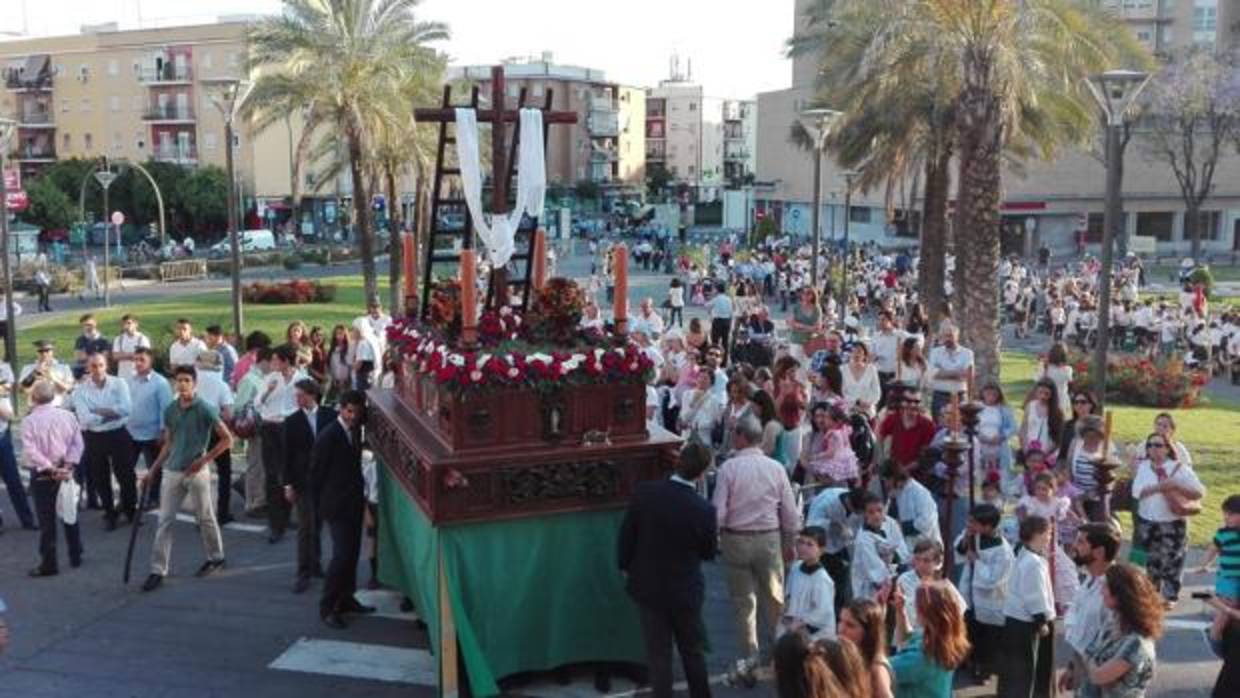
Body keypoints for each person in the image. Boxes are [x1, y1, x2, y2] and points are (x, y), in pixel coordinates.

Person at [617, 442, 717, 698]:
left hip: (648, 587)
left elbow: (627, 535)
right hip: (685, 590)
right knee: (692, 651)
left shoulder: (645, 493)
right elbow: (708, 552)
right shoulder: (704, 510)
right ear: (701, 473)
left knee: (658, 654)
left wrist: (625, 567)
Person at [713, 414, 801, 686]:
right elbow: (790, 514)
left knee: (744, 605)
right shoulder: (775, 468)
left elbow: (719, 514)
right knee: (774, 601)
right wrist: (789, 545)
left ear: (740, 436)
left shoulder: (729, 468)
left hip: (736, 540)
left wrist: (717, 538)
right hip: (769, 540)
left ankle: (749, 661)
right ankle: (781, 659)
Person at [140, 366, 232, 592]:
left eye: (186, 381)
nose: (181, 385)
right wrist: (152, 470)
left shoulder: (205, 409)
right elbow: (168, 444)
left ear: (195, 383)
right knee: (164, 521)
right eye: (178, 381)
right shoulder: (170, 410)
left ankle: (216, 557)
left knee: (205, 517)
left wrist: (204, 460)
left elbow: (227, 439)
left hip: (196, 471)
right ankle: (157, 570)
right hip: (172, 471)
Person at [311, 389, 375, 628]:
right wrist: (318, 508)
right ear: (341, 409)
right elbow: (316, 472)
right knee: (340, 556)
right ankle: (327, 606)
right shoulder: (329, 435)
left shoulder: (355, 430)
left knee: (351, 554)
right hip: (335, 504)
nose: (352, 417)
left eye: (356, 413)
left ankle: (347, 598)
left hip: (353, 501)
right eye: (349, 411)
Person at [1133, 431, 1204, 607]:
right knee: (1152, 560)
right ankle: (1153, 594)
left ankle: (1170, 596)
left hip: (1172, 523)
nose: (1153, 449)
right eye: (1150, 445)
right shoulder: (1143, 467)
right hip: (1147, 521)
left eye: (1158, 445)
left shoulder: (1179, 468)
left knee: (1172, 560)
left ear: (1167, 448)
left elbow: (1199, 492)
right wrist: (1161, 486)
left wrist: (1177, 485)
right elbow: (1137, 492)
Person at [22, 381, 85, 577]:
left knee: (47, 520)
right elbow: (78, 444)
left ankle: (49, 563)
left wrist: (50, 468)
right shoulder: (68, 416)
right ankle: (75, 555)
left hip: (43, 474)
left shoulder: (29, 421)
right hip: (66, 470)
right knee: (69, 513)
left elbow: (31, 451)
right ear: (54, 397)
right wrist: (68, 465)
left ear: (33, 398)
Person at [1076, 564, 1162, 698]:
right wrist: (1089, 662)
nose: (1101, 592)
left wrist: (1090, 662)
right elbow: (1088, 652)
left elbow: (1098, 676)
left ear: (1120, 595)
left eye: (1105, 587)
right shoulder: (1113, 622)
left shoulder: (1136, 643)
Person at [284, 379, 336, 594]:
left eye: (301, 395)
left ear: (312, 395)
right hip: (302, 480)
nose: (297, 399)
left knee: (319, 523)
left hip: (325, 479)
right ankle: (303, 571)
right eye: (296, 396)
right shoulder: (292, 421)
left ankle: (316, 565)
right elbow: (286, 455)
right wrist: (287, 484)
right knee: (305, 526)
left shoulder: (330, 416)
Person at [996, 515, 1057, 698]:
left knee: (1014, 671)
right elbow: (1034, 595)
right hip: (1027, 624)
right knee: (1025, 671)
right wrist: (1041, 621)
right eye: (1048, 533)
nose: (1050, 537)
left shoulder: (1024, 552)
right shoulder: (1033, 563)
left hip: (1014, 621)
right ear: (1038, 534)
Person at [71, 352, 134, 530]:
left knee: (126, 476)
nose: (97, 369)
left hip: (118, 434)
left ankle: (129, 510)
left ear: (106, 366)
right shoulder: (80, 390)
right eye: (93, 366)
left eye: (100, 365)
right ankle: (109, 513)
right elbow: (84, 419)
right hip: (94, 437)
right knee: (100, 478)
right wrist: (111, 413)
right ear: (88, 368)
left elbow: (127, 409)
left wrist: (97, 412)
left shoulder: (119, 383)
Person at [1059, 522, 1121, 695]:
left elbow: (1113, 639)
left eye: (1081, 542)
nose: (1074, 546)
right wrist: (1073, 667)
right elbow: (1083, 631)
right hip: (1084, 669)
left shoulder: (1113, 590)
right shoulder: (1089, 580)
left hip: (1102, 679)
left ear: (1099, 552)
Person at [955, 503, 1014, 681]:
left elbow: (994, 579)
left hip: (991, 601)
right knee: (970, 630)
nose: (969, 525)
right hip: (971, 595)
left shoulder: (1003, 551)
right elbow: (960, 550)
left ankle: (985, 668)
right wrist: (966, 540)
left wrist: (977, 562)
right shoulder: (975, 535)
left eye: (973, 522)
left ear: (988, 526)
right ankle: (969, 660)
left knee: (988, 639)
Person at [890, 581, 971, 698]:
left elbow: (879, 671)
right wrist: (901, 611)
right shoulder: (945, 639)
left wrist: (874, 623)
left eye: (916, 603)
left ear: (924, 612)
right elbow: (908, 635)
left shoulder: (921, 657)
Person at [256, 345, 303, 543]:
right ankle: (276, 525)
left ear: (286, 361)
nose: (272, 363)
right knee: (272, 476)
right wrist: (268, 391)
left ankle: (290, 515)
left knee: (290, 474)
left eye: (276, 360)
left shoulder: (301, 379)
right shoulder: (269, 379)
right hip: (270, 429)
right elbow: (258, 404)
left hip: (290, 429)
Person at [126, 347, 172, 510]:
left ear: (150, 361)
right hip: (131, 433)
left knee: (154, 468)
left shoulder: (160, 383)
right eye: (135, 359)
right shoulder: (130, 380)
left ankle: (153, 498)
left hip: (152, 434)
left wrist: (163, 431)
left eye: (142, 360)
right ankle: (129, 498)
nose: (137, 363)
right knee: (126, 467)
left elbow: (165, 409)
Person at [194, 351, 236, 524]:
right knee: (224, 472)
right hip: (216, 431)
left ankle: (200, 516)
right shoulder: (221, 385)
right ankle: (222, 513)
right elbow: (228, 414)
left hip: (195, 430)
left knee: (198, 474)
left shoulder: (193, 383)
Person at [778, 526, 836, 642]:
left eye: (810, 544)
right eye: (801, 542)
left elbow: (822, 613)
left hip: (815, 636)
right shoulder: (796, 567)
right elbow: (789, 596)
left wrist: (800, 625)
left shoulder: (822, 580)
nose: (803, 548)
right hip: (793, 626)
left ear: (821, 550)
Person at [896, 540, 965, 635]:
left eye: (926, 561)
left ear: (937, 562)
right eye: (917, 559)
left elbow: (959, 610)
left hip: (935, 637)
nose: (921, 564)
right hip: (909, 636)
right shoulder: (904, 580)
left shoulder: (943, 583)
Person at [852, 491, 908, 602]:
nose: (876, 515)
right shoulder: (863, 540)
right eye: (871, 512)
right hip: (870, 589)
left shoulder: (890, 523)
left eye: (879, 510)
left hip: (894, 579)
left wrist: (894, 560)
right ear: (864, 514)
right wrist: (892, 561)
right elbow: (876, 573)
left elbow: (903, 552)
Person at [0, 359, 35, 530]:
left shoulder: (4, 367)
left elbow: (7, 388)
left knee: (13, 479)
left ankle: (27, 519)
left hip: (2, 434)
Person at [837, 599, 895, 698]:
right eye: (840, 621)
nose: (841, 629)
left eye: (850, 625)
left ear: (869, 632)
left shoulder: (877, 668)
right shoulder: (847, 656)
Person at [884, 460, 941, 547]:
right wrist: (892, 502)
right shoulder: (895, 493)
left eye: (887, 480)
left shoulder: (920, 492)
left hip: (926, 546)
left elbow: (927, 521)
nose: (886, 484)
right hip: (906, 546)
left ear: (893, 478)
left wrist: (903, 527)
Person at [1196, 494, 1240, 603]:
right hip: (1227, 577)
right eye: (1224, 514)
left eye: (1230, 514)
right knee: (1226, 606)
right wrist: (1206, 564)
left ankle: (1208, 596)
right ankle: (1208, 598)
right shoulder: (1223, 533)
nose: (1225, 517)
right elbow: (1213, 549)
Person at [927, 323, 974, 421]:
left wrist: (942, 372)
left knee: (961, 425)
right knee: (939, 426)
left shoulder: (967, 353)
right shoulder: (935, 352)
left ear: (957, 336)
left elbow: (967, 374)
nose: (947, 339)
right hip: (940, 396)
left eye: (950, 336)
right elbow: (932, 373)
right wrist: (957, 373)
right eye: (945, 336)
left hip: (960, 396)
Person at [19, 340, 74, 407]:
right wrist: (35, 372)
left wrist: (54, 378)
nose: (44, 354)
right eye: (41, 351)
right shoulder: (28, 368)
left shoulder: (63, 368)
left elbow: (69, 389)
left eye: (47, 351)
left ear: (52, 352)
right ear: (37, 353)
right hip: (36, 408)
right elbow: (21, 389)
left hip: (58, 407)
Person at [841, 342, 881, 417]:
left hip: (867, 409)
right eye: (853, 351)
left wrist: (867, 403)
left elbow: (876, 392)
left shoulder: (871, 369)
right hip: (848, 409)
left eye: (859, 351)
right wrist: (856, 402)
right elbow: (842, 392)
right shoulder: (842, 369)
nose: (856, 354)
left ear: (864, 355)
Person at [112, 314, 151, 381]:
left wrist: (123, 355)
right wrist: (132, 355)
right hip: (123, 376)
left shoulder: (143, 339)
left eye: (129, 323)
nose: (126, 326)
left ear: (136, 324)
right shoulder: (118, 339)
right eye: (124, 324)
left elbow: (145, 357)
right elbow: (115, 356)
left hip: (139, 376)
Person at [72, 314, 111, 380]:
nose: (87, 327)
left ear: (95, 323)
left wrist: (86, 356)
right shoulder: (80, 340)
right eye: (85, 325)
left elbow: (104, 358)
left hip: (99, 372)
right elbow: (78, 357)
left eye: (89, 324)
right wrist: (96, 356)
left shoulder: (103, 340)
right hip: (83, 373)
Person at [708, 281, 734, 363]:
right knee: (725, 342)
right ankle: (724, 361)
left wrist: (712, 296)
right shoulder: (728, 299)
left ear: (717, 290)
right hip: (727, 321)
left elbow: (706, 305)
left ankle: (714, 359)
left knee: (715, 342)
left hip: (717, 321)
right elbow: (731, 311)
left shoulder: (716, 299)